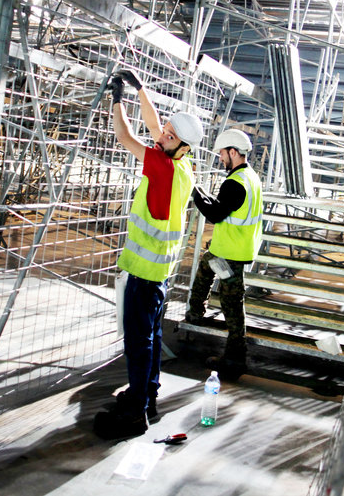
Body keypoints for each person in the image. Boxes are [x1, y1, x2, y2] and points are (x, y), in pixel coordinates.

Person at [93, 69, 204, 439]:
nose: (163, 136)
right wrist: (141, 89)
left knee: (138, 343)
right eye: (167, 131)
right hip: (159, 273)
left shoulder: (163, 167)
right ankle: (148, 395)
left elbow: (124, 135)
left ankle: (136, 413)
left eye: (170, 136)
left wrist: (117, 98)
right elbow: (156, 125)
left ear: (182, 146)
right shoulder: (183, 163)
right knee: (152, 337)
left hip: (144, 274)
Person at [185, 129, 263, 380]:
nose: (220, 157)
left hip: (230, 254)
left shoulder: (234, 183)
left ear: (233, 151)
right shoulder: (249, 177)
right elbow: (222, 206)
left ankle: (235, 357)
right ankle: (196, 313)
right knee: (205, 268)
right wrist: (200, 191)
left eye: (222, 153)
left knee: (232, 303)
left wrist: (194, 192)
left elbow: (215, 214)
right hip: (229, 250)